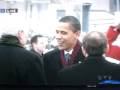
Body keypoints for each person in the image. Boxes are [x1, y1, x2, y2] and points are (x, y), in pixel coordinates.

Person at [43, 16, 85, 85]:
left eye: (63, 33)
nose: (58, 37)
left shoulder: (87, 56)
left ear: (77, 34)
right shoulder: (48, 57)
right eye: (57, 32)